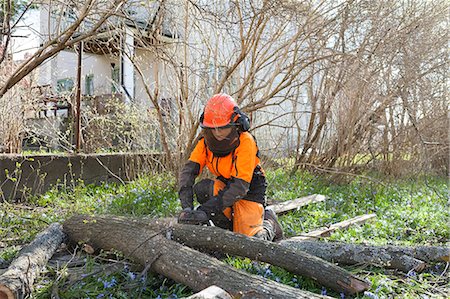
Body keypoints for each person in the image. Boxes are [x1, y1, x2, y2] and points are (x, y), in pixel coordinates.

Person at [177, 93, 283, 241]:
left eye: (223, 128)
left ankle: (269, 221)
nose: (218, 133)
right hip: (225, 187)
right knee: (203, 189)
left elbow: (240, 187)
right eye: (213, 128)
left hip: (248, 190)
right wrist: (187, 208)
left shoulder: (246, 142)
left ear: (235, 124)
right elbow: (188, 173)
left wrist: (204, 211)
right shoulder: (205, 143)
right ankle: (228, 227)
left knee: (252, 241)